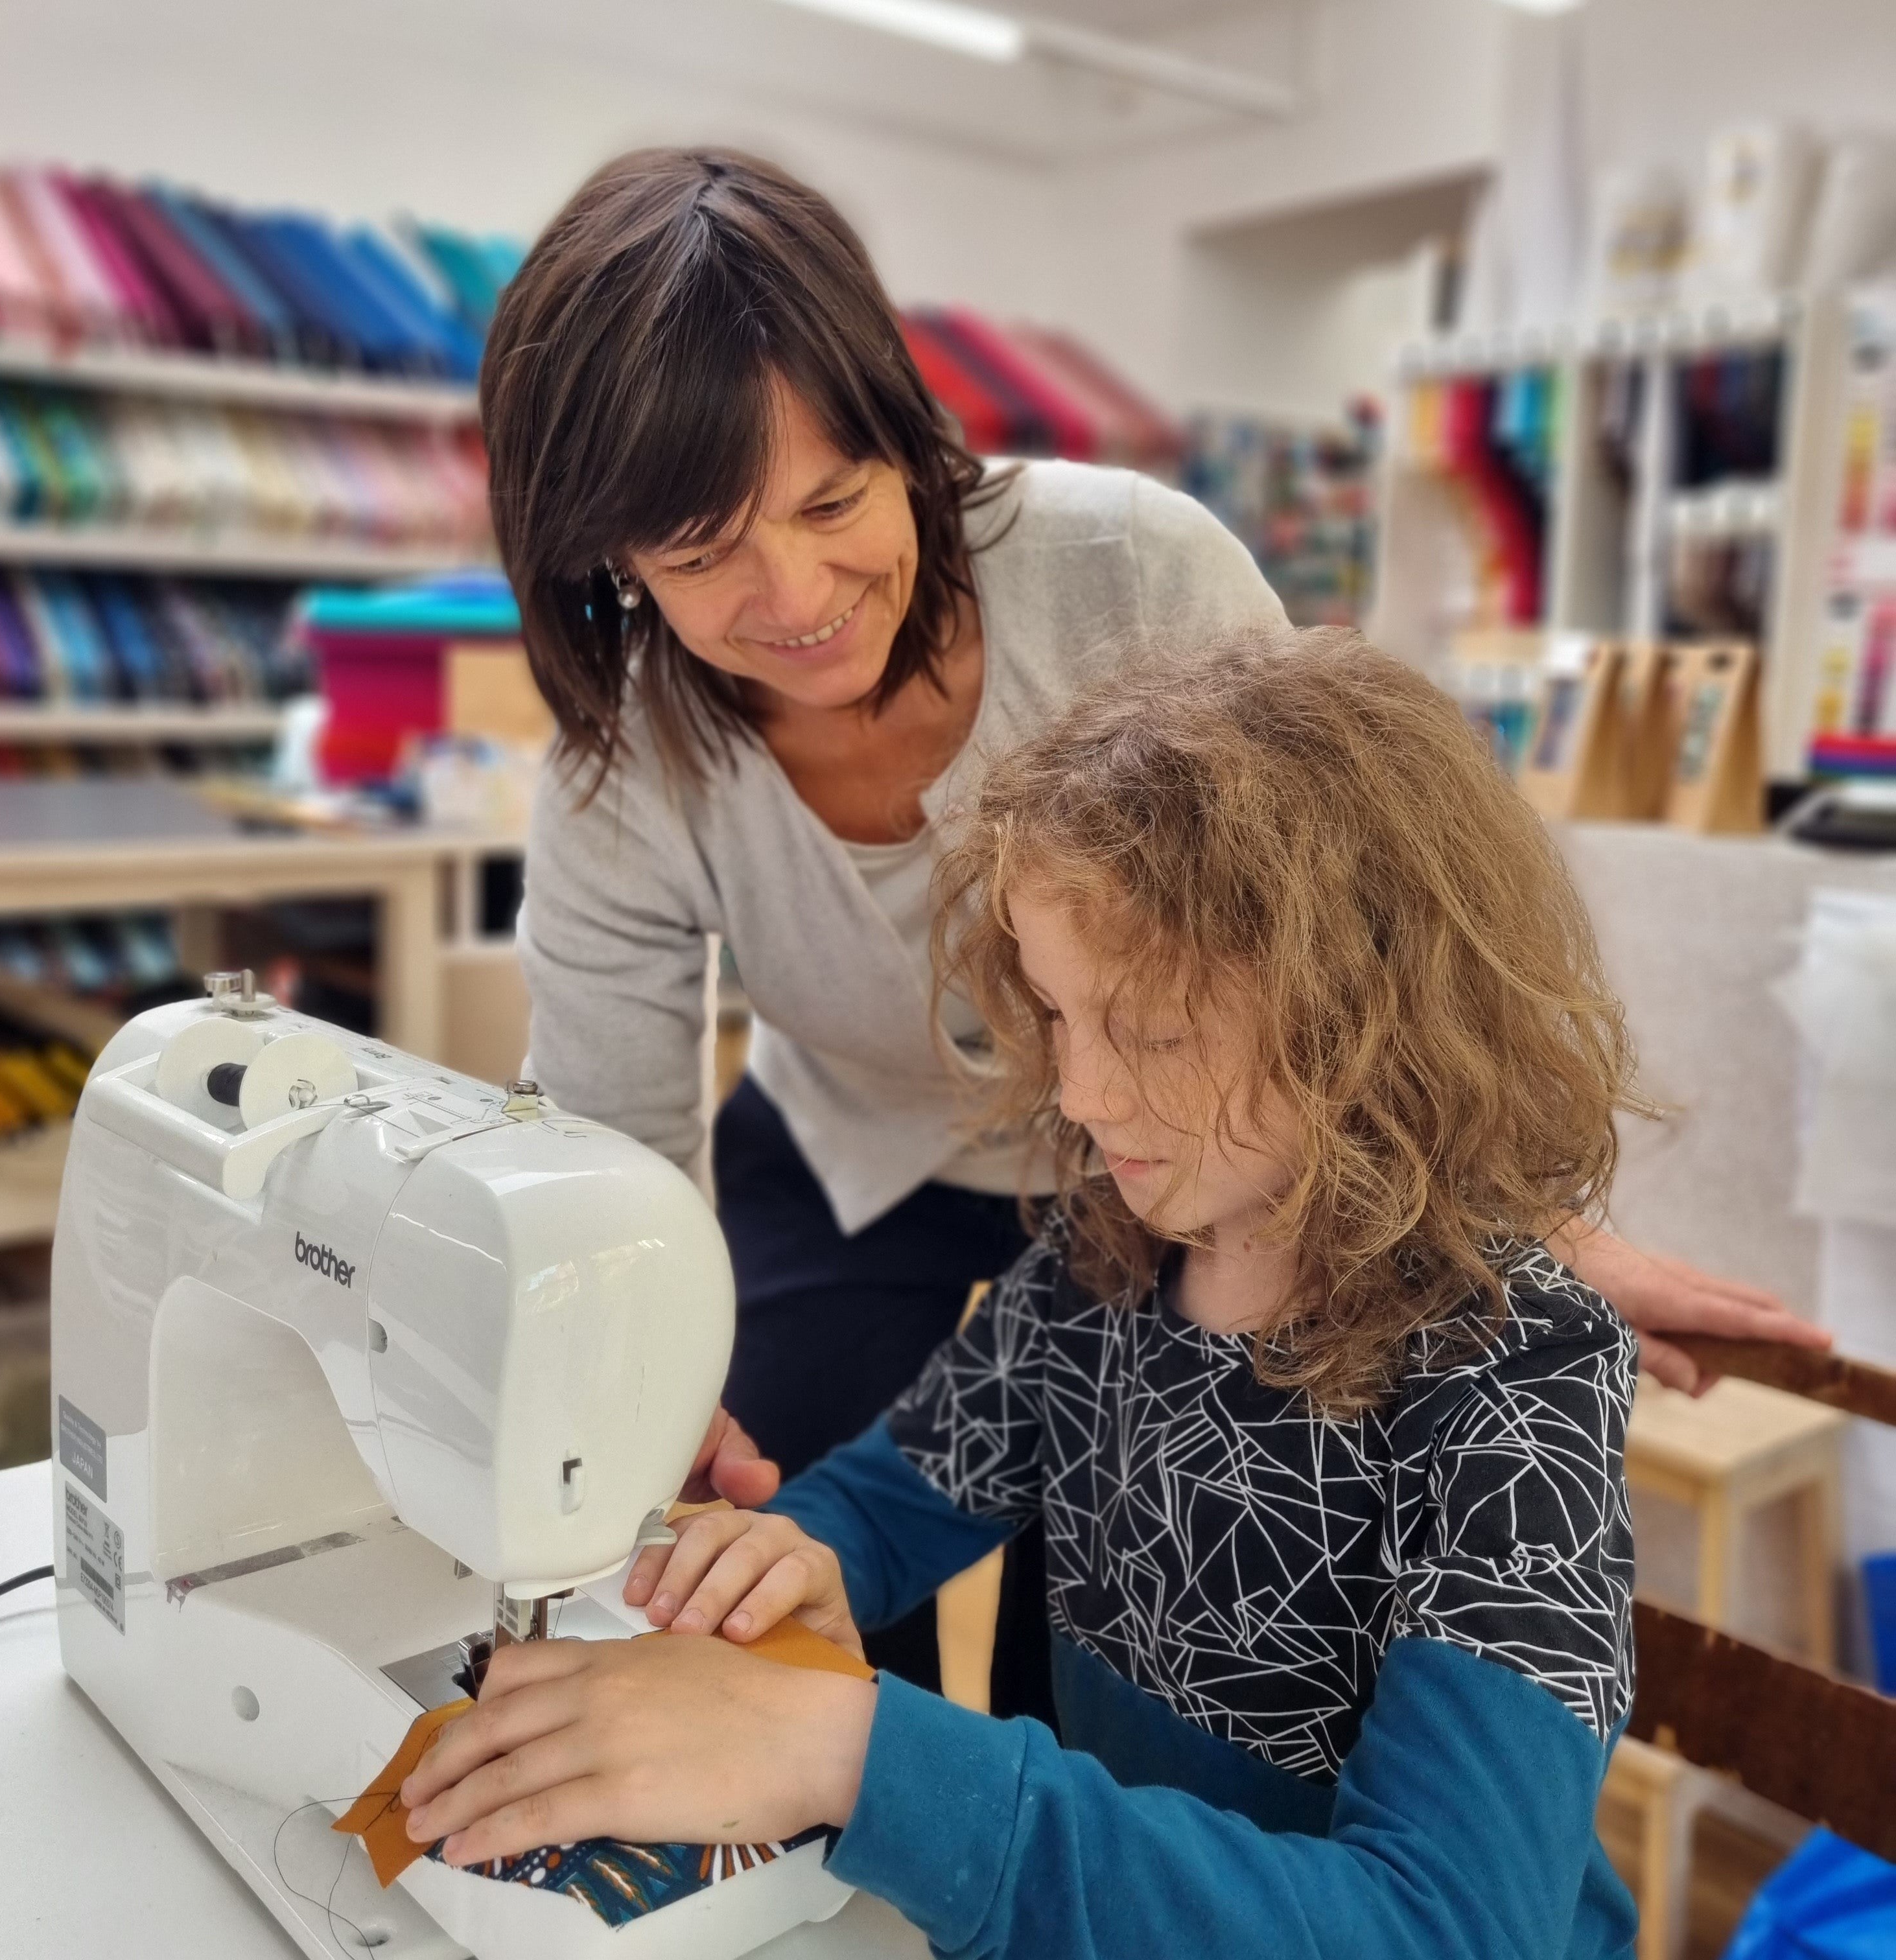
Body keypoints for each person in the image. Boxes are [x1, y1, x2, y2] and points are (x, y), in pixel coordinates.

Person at [486, 145, 1823, 1705]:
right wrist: (642, 1377)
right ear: (610, 561)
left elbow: (1356, 930)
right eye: (705, 557)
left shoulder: (1127, 572)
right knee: (781, 1555)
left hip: (1152, 1167)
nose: (797, 594)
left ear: (905, 436)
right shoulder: (620, 772)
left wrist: (1525, 1225)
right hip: (853, 1153)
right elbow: (611, 1153)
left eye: (835, 501)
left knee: (1112, 1642)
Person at [401, 627, 1648, 1958]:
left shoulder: (1518, 1390)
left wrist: (857, 1754)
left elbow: (1449, 1929)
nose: (1081, 1095)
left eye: (1152, 1033)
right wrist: (801, 1549)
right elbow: (914, 1485)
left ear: (1368, 1014)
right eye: (1056, 1017)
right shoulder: (1107, 1254)